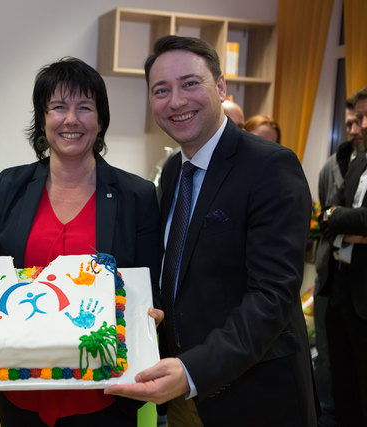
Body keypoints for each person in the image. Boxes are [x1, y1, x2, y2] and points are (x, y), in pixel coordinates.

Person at [105, 35, 317, 426]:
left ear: (220, 86)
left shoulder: (270, 167)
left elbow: (272, 297)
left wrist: (191, 371)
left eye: (190, 83)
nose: (176, 101)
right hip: (185, 392)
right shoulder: (172, 172)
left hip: (255, 395)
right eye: (161, 90)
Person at [0, 57, 161, 427]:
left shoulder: (136, 195)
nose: (71, 119)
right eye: (58, 107)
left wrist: (150, 316)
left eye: (84, 108)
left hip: (104, 391)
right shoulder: (9, 186)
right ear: (42, 119)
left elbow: (148, 284)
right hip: (21, 385)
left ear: (101, 120)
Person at [314, 95, 364, 426]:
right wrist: (348, 225)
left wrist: (346, 220)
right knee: (341, 371)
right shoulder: (354, 162)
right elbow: (328, 217)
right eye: (353, 120)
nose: (356, 128)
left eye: (362, 118)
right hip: (341, 279)